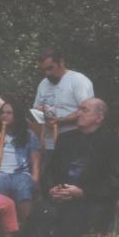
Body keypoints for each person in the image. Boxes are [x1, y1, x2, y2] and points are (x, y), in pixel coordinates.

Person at [5, 98, 119, 237]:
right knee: (39, 215)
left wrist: (81, 192)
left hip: (92, 202)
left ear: (99, 117)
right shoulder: (66, 139)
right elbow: (49, 171)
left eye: (84, 110)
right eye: (79, 109)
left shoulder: (114, 144)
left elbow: (114, 183)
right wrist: (52, 189)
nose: (78, 113)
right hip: (60, 197)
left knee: (70, 219)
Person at [33, 49, 94, 192]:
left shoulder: (78, 80)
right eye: (44, 70)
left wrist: (61, 121)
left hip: (75, 140)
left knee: (70, 180)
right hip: (50, 142)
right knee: (49, 180)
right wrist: (41, 113)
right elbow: (37, 108)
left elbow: (87, 110)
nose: (47, 73)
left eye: (50, 68)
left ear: (61, 62)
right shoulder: (43, 84)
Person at [0, 100, 41, 223]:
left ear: (17, 116)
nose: (4, 115)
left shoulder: (28, 135)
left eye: (9, 113)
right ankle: (2, 230)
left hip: (21, 172)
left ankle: (27, 229)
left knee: (23, 186)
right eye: (2, 113)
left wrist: (35, 179)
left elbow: (36, 161)